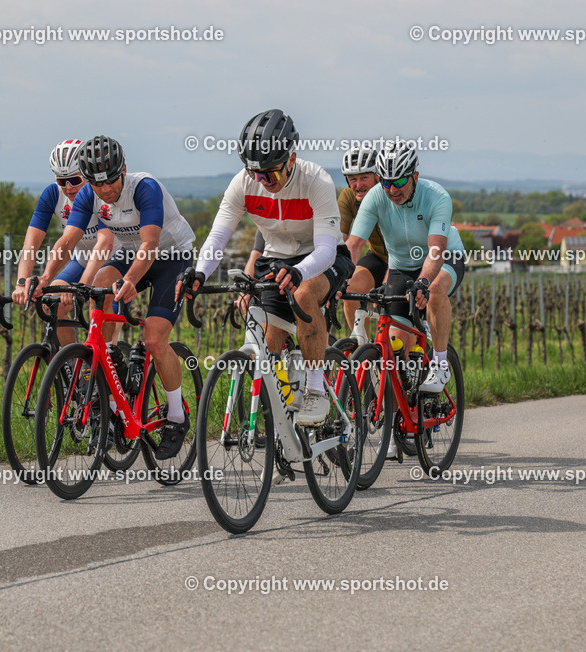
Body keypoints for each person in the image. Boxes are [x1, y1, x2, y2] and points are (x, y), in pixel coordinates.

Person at [180, 108, 354, 427]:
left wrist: (301, 272)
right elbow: (218, 237)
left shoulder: (316, 180)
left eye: (270, 174)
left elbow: (327, 250)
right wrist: (200, 272)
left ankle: (317, 390)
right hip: (276, 259)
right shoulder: (243, 183)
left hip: (322, 257)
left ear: (291, 159)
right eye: (255, 174)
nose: (263, 182)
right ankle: (280, 426)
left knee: (304, 295)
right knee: (267, 348)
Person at [40, 135, 196, 459]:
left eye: (111, 180)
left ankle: (177, 415)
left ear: (123, 170)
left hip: (171, 256)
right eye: (97, 184)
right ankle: (109, 366)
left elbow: (151, 244)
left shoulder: (144, 188)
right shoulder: (88, 194)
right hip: (130, 253)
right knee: (100, 283)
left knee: (154, 339)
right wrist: (44, 279)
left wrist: (131, 280)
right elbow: (67, 241)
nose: (106, 189)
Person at [346, 140, 466, 393]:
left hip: (444, 258)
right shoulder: (375, 197)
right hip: (401, 266)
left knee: (434, 291)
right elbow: (354, 244)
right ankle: (401, 396)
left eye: (400, 181)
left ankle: (440, 364)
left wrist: (423, 282)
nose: (392, 190)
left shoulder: (436, 196)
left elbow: (436, 249)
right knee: (395, 344)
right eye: (386, 182)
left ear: (415, 177)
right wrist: (338, 277)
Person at [12, 139, 112, 347]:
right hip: (82, 260)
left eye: (74, 180)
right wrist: (22, 283)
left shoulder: (102, 194)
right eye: (61, 180)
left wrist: (80, 287)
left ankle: (108, 357)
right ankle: (73, 361)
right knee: (52, 303)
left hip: (112, 260)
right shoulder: (52, 195)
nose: (68, 187)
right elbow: (31, 244)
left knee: (98, 311)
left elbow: (104, 245)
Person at [339, 146, 390, 331]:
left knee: (392, 303)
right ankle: (363, 345)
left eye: (364, 178)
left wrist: (388, 282)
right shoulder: (347, 197)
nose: (358, 185)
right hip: (378, 256)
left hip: (406, 258)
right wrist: (336, 277)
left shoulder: (390, 194)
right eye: (353, 179)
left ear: (377, 177)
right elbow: (343, 242)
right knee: (350, 290)